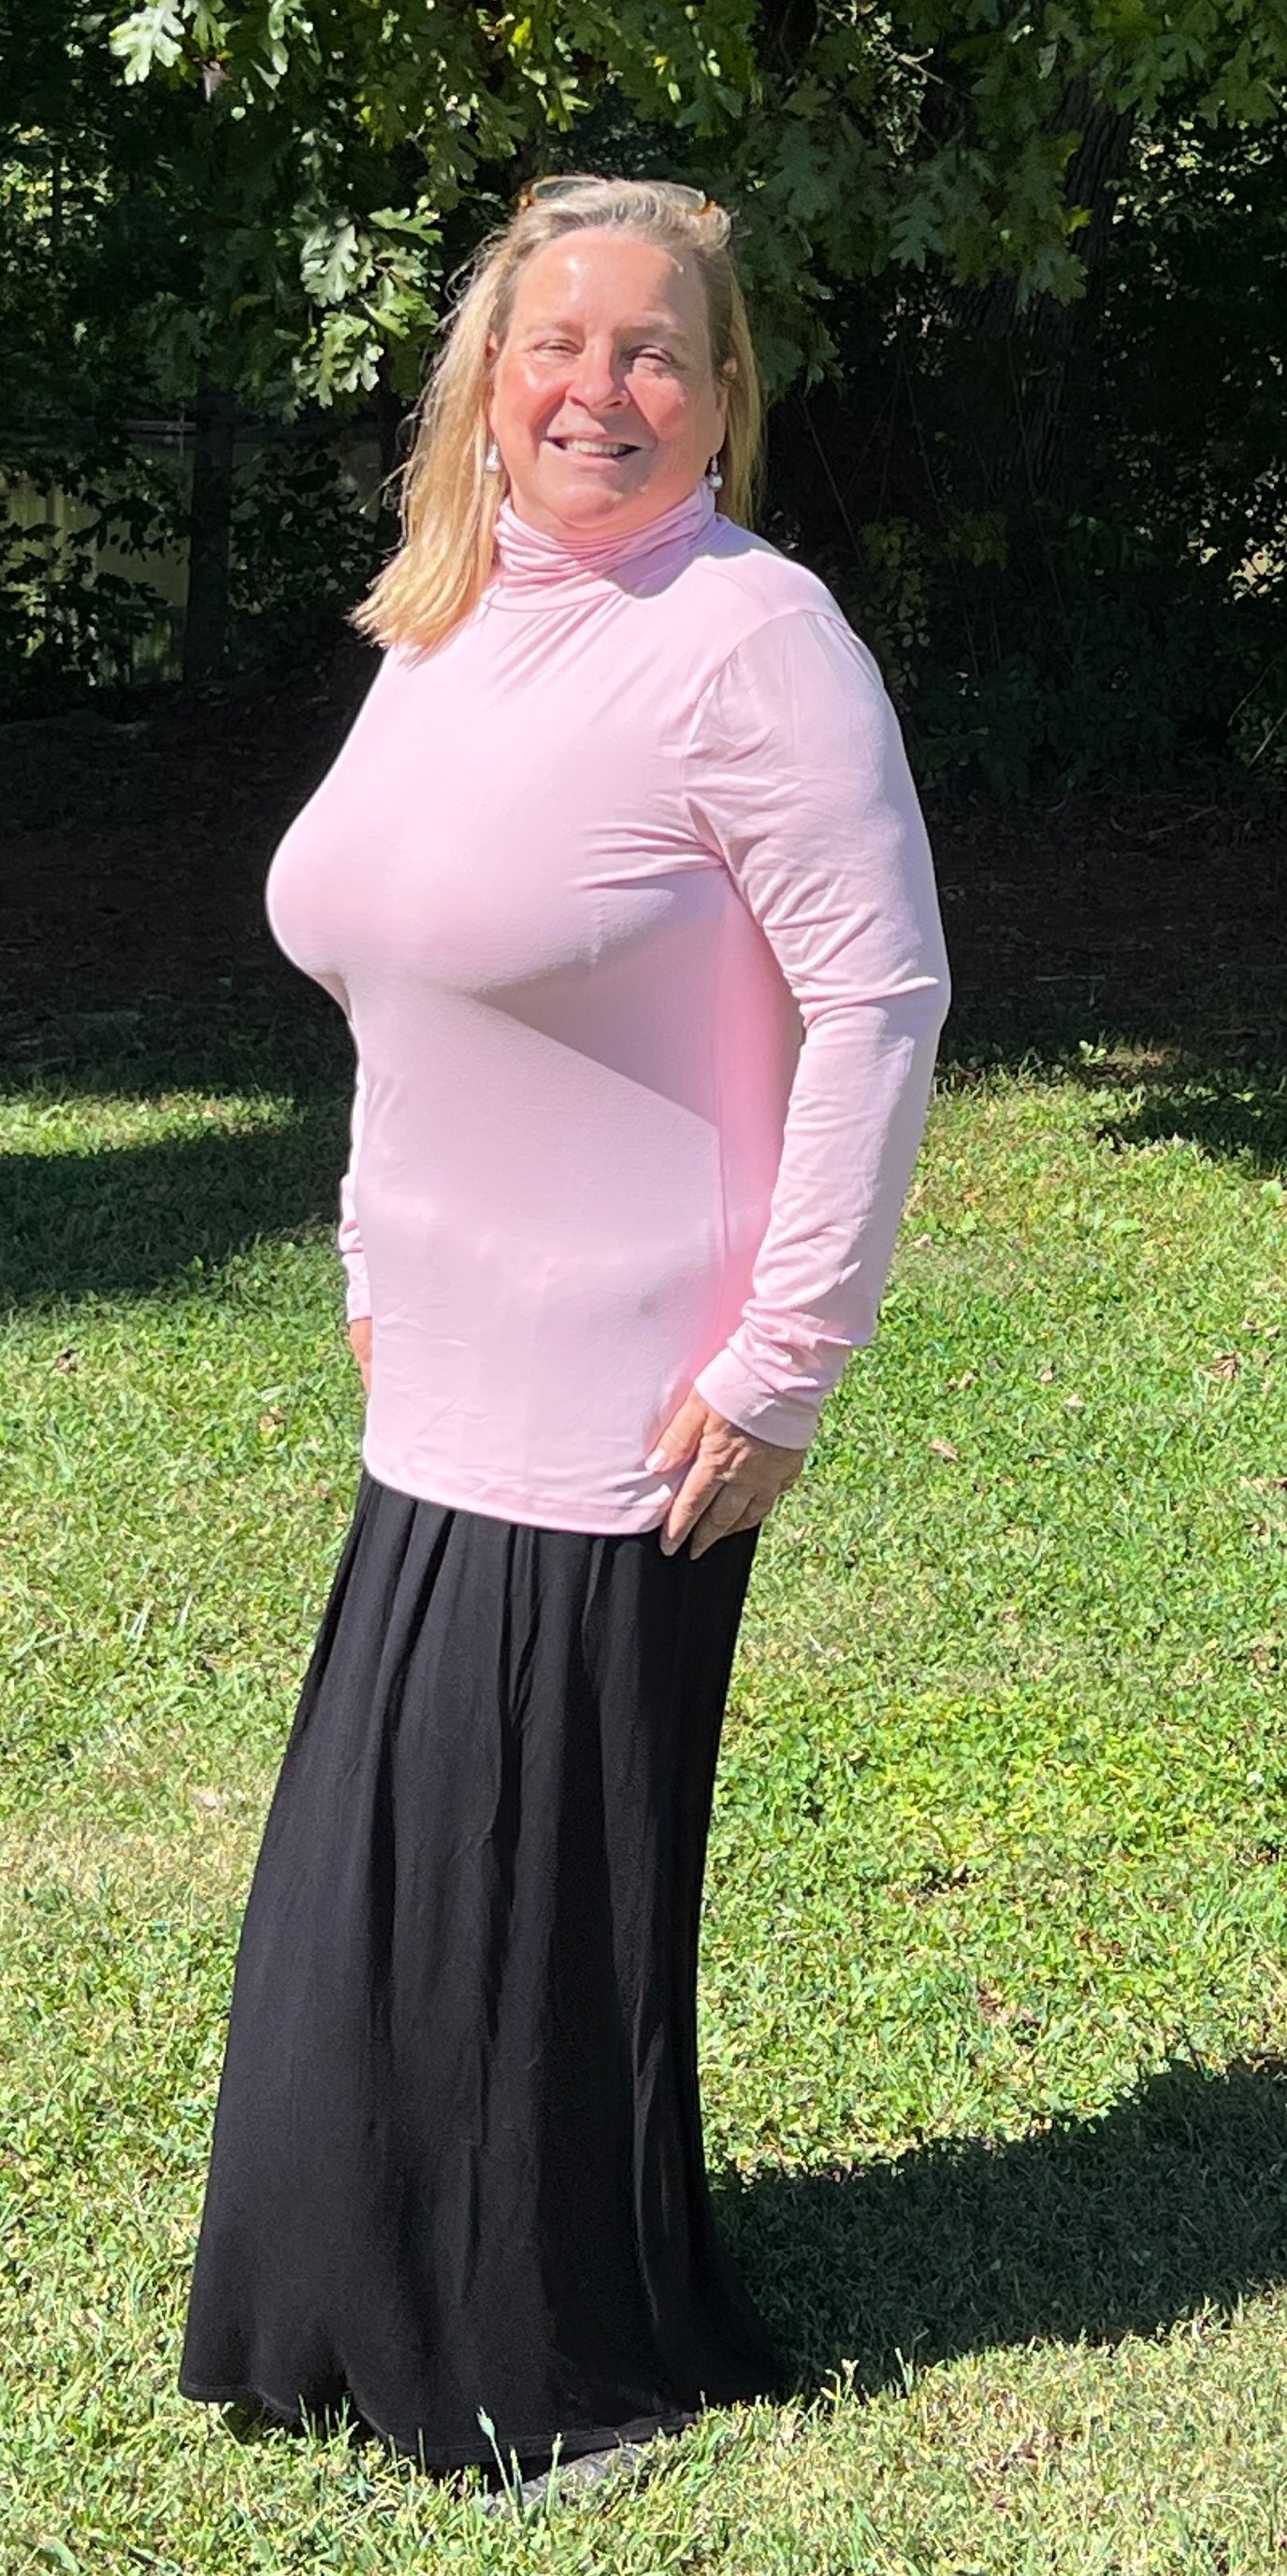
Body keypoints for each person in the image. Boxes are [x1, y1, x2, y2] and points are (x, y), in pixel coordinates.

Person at [178, 174, 950, 2482]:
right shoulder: (452, 611)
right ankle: (344, 2305)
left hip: (636, 1388)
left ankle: (546, 2360)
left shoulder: (752, 640)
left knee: (530, 1907)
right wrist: (363, 1251)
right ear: (487, 376)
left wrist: (787, 1359)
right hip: (437, 1357)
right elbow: (395, 964)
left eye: (653, 352)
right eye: (558, 341)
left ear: (720, 397)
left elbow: (879, 1002)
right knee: (384, 1885)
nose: (597, 388)